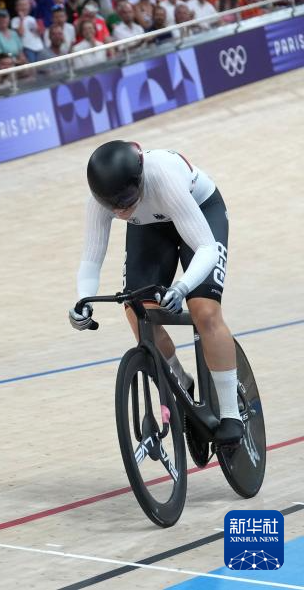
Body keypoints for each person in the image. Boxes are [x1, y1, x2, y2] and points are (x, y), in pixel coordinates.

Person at [71, 141, 242, 445]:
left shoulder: (162, 177)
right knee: (137, 311)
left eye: (126, 198)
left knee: (204, 310)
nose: (121, 209)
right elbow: (90, 260)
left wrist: (183, 286)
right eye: (113, 204)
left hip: (198, 211)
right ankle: (179, 379)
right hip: (151, 224)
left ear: (139, 180)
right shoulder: (104, 200)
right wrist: (82, 300)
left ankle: (231, 413)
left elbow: (206, 247)